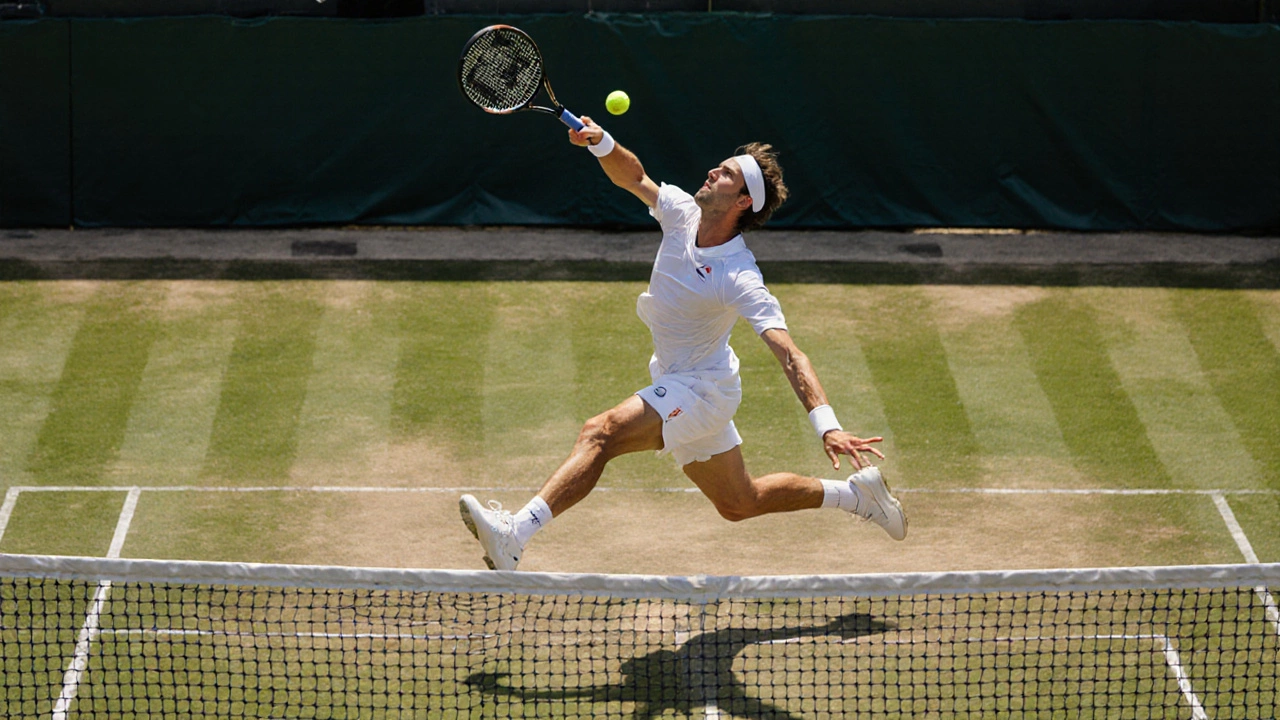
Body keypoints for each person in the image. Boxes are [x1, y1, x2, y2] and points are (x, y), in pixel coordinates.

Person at [459, 118, 906, 571]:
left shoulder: (738, 275)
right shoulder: (681, 212)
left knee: (601, 433)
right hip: (680, 378)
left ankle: (515, 534)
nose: (713, 172)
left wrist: (828, 427)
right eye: (719, 166)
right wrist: (602, 143)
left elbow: (790, 355)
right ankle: (856, 496)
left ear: (744, 201)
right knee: (739, 502)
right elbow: (635, 177)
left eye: (727, 174)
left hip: (702, 391)